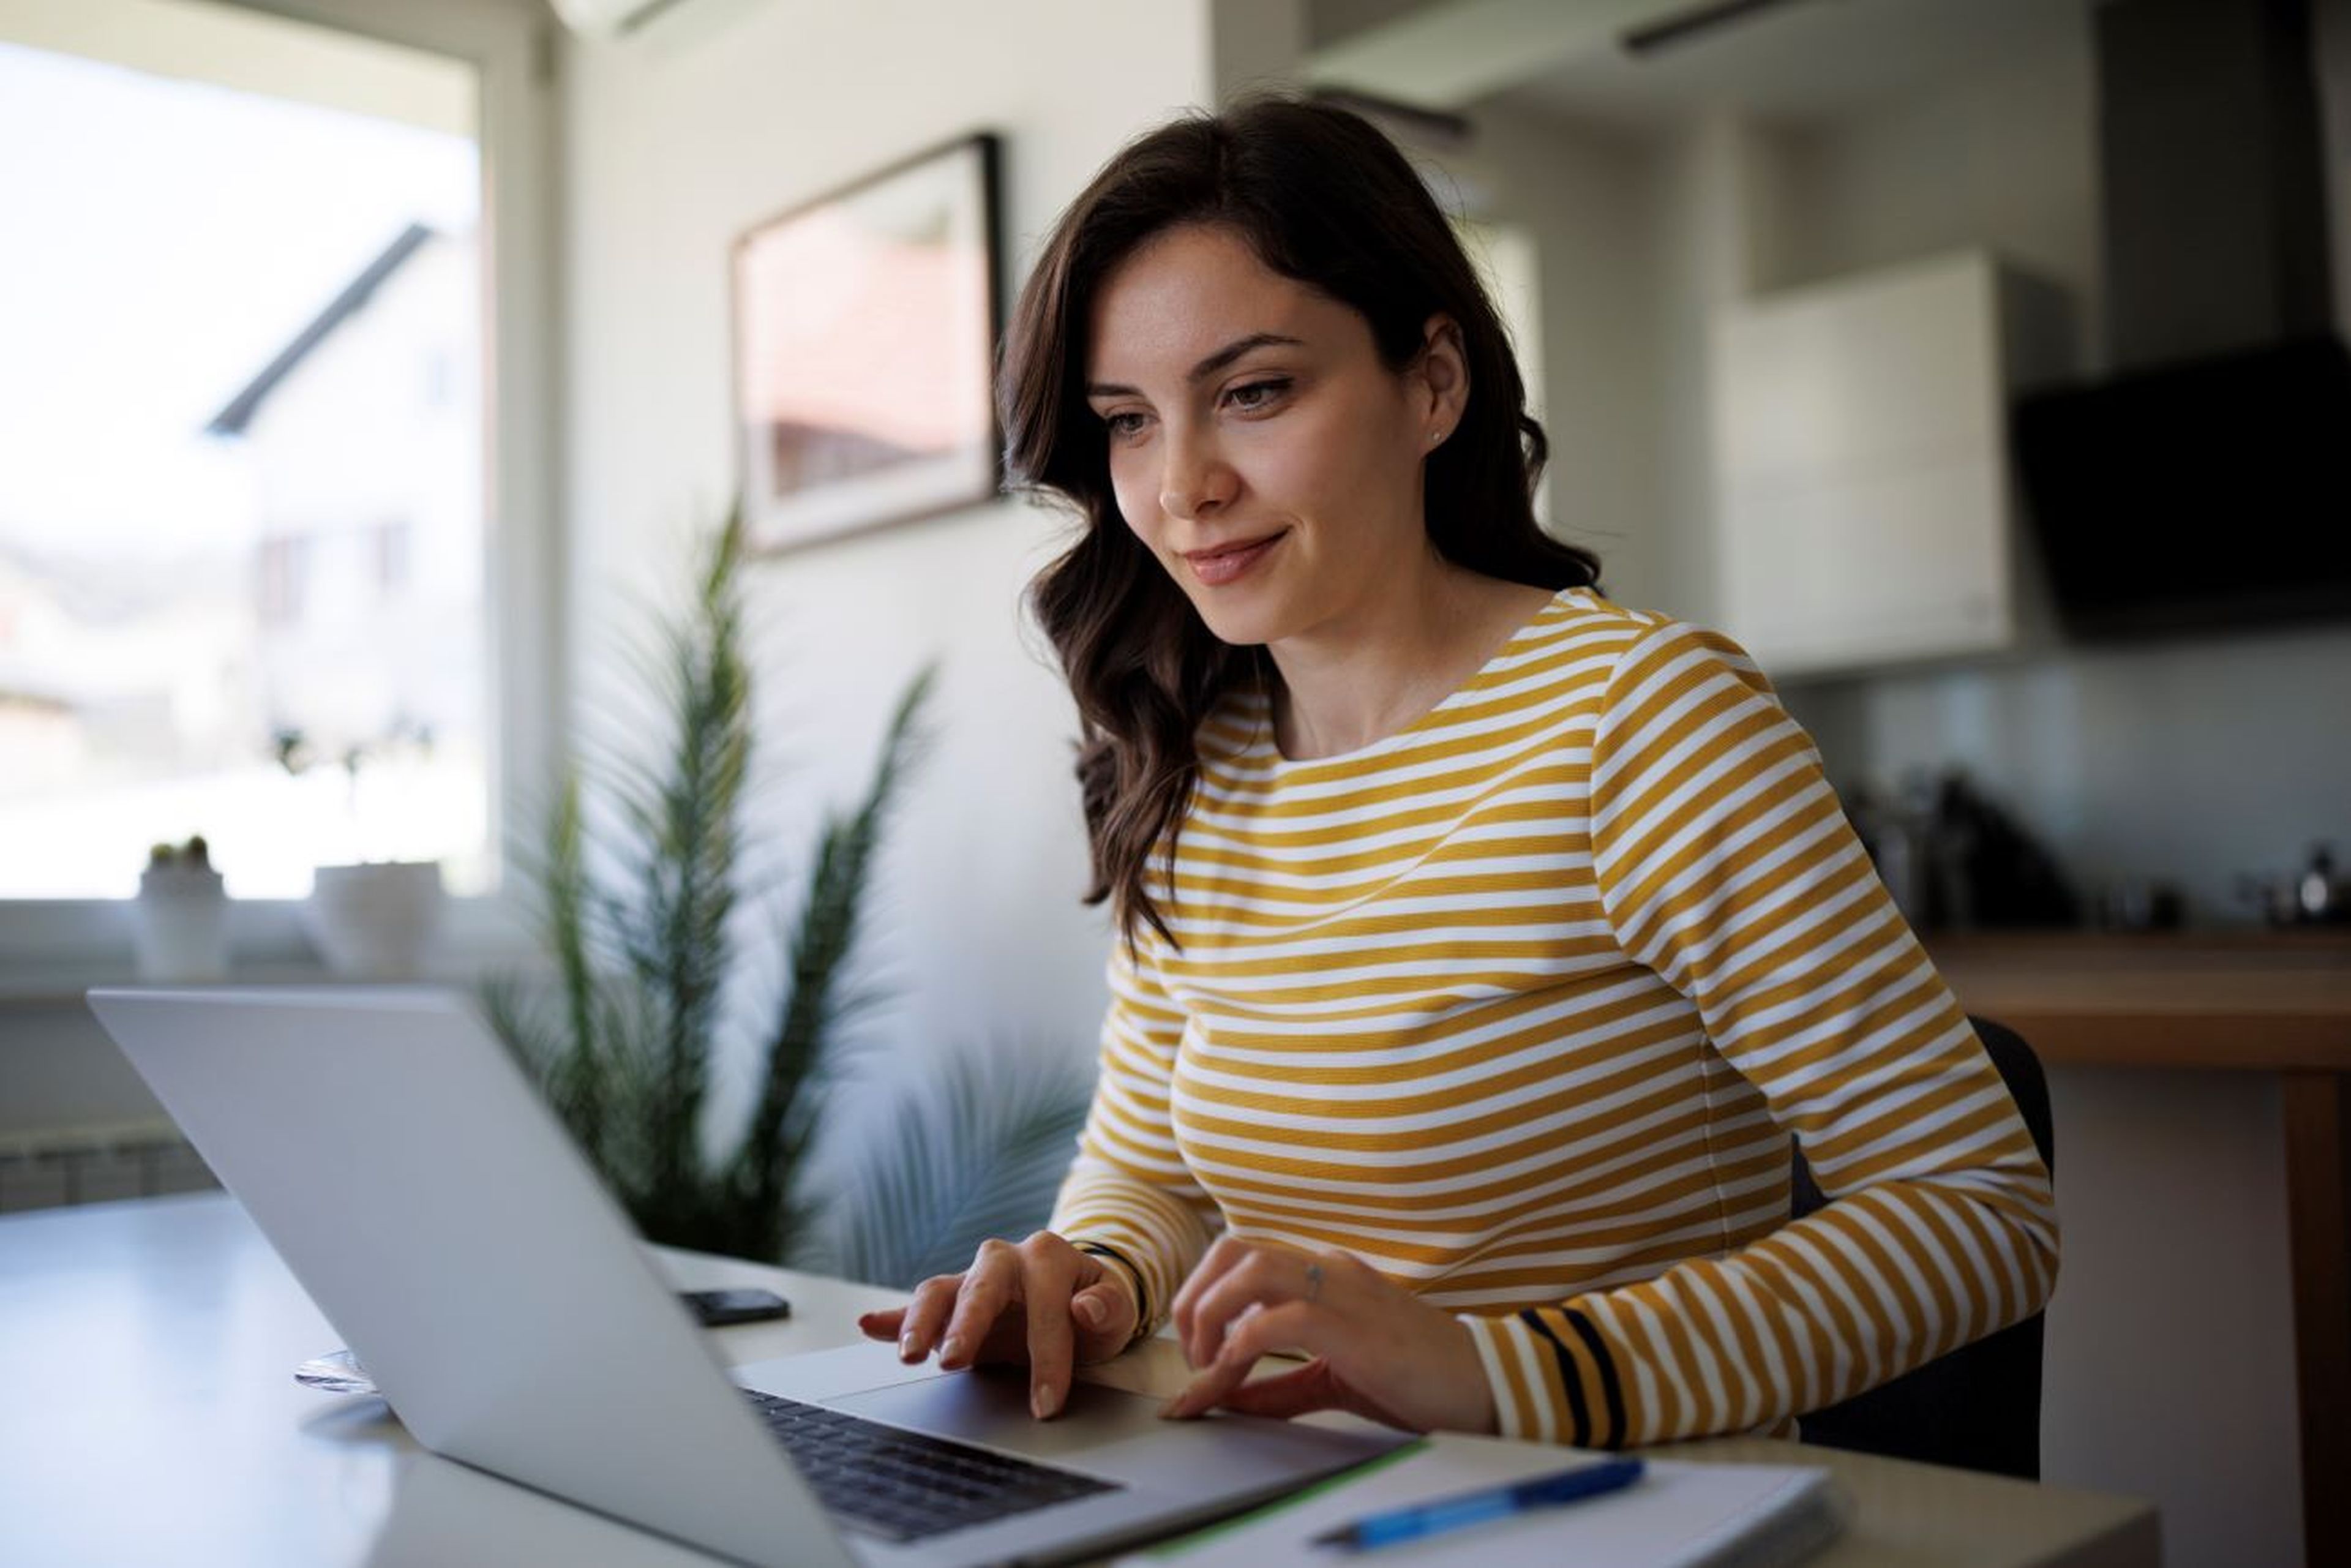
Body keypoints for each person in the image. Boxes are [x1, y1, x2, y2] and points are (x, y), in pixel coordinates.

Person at [858, 94, 2058, 1448]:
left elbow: (1979, 1212)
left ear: (1432, 383)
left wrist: (1500, 1371)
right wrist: (1088, 1282)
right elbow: (1150, 1172)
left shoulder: (1642, 723)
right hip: (1298, 1508)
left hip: (1615, 1521)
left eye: (1252, 392)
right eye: (1129, 421)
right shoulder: (1199, 762)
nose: (1182, 484)